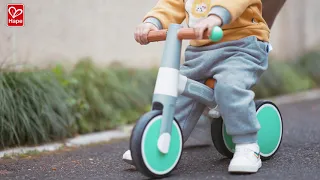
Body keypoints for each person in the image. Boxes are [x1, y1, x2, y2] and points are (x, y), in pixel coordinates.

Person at [123, 0, 285, 173]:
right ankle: (162, 141)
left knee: (229, 86)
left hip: (242, 46)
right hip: (200, 52)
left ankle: (248, 145)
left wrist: (216, 17)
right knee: (180, 90)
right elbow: (170, 4)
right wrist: (152, 22)